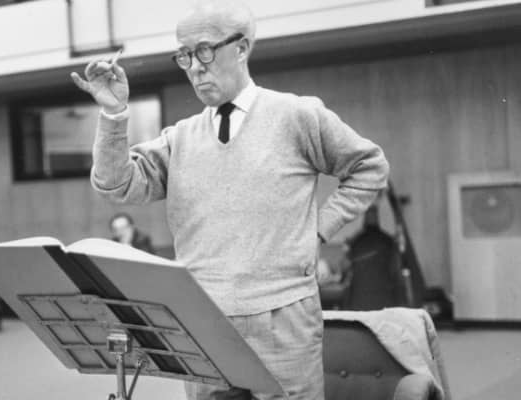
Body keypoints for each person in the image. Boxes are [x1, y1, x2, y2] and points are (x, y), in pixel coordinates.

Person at [70, 1, 389, 399]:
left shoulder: (297, 115)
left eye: (204, 51)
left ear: (241, 48)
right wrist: (114, 115)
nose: (194, 67)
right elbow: (114, 184)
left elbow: (369, 167)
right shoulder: (179, 138)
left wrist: (318, 229)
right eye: (184, 55)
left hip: (284, 319)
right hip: (203, 321)